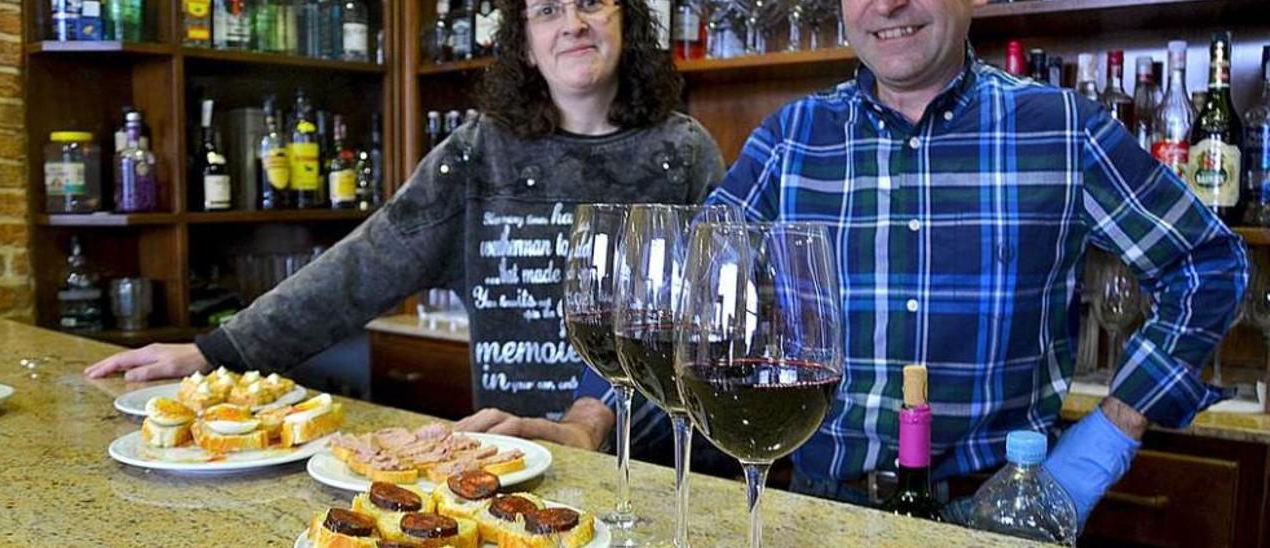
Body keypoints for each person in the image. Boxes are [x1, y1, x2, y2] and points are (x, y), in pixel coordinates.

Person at [479, 0, 1248, 528]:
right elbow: (677, 284)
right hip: (819, 509)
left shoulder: (1062, 131)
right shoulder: (792, 138)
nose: (887, 5)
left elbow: (1209, 266)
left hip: (1001, 516)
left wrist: (1098, 450)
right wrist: (585, 425)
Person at [85, 0, 726, 451]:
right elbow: (365, 263)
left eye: (592, 2)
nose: (573, 24)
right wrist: (215, 352)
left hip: (661, 463)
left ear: (628, 21)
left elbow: (713, 327)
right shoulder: (480, 153)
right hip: (517, 455)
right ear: (524, 45)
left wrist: (601, 425)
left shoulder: (687, 153)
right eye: (547, 10)